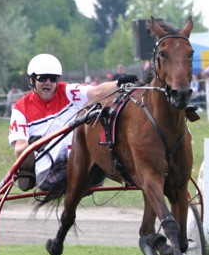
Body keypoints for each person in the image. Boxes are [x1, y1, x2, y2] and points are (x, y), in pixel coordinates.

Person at [8, 53, 136, 192]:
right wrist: (34, 144)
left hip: (78, 159)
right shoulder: (20, 108)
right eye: (42, 78)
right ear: (32, 79)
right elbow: (19, 148)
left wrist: (119, 83)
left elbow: (96, 92)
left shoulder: (67, 91)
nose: (48, 82)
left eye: (53, 78)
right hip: (48, 171)